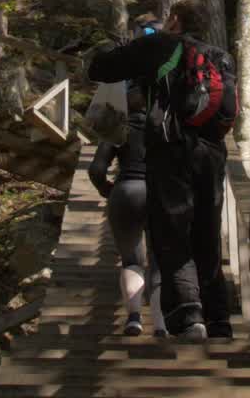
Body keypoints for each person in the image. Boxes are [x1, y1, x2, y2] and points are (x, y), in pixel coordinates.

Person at [87, 0, 233, 341]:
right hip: (212, 157)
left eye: (170, 18)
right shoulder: (222, 57)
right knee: (207, 237)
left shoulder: (159, 46)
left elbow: (100, 69)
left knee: (172, 235)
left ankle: (188, 317)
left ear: (176, 21)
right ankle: (220, 322)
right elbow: (227, 110)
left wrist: (119, 47)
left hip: (170, 154)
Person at [88, 79, 166, 337]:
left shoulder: (119, 127)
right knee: (159, 261)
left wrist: (107, 190)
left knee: (132, 261)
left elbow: (97, 168)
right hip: (159, 194)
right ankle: (161, 324)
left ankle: (133, 318)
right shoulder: (166, 126)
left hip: (126, 192)